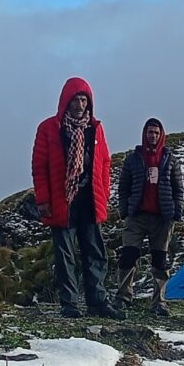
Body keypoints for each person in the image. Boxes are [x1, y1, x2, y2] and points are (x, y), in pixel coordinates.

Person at [31, 77, 123, 319]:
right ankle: (69, 303)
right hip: (62, 201)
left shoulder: (96, 129)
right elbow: (39, 167)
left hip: (90, 200)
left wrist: (104, 193)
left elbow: (105, 162)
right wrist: (43, 200)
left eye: (84, 100)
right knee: (65, 255)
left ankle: (97, 301)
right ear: (66, 101)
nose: (80, 105)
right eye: (75, 100)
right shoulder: (48, 128)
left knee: (95, 252)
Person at [115, 118, 184, 316]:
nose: (152, 136)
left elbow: (178, 188)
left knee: (160, 260)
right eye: (149, 132)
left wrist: (176, 213)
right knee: (128, 256)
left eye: (156, 132)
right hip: (136, 216)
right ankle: (123, 297)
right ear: (144, 134)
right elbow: (123, 186)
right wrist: (125, 211)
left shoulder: (170, 159)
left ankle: (159, 302)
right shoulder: (133, 158)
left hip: (162, 218)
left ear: (161, 135)